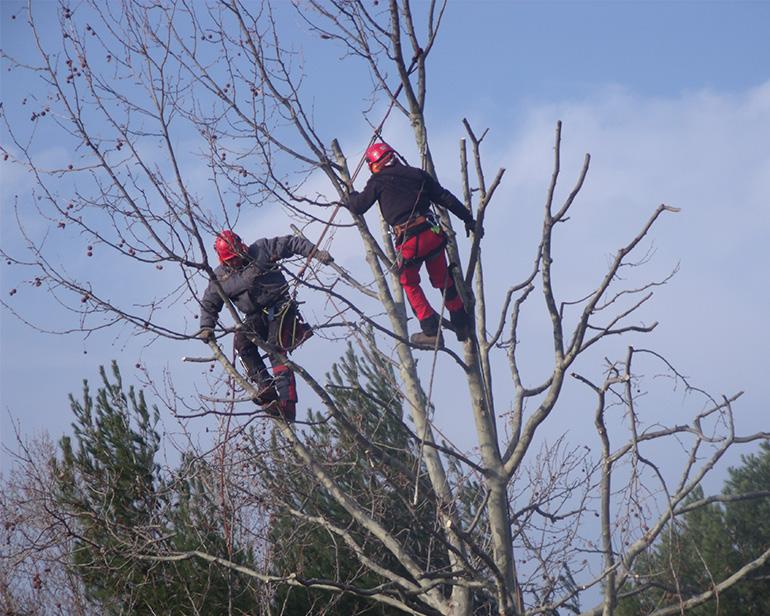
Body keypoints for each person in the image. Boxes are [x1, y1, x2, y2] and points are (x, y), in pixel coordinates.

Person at [343, 142, 481, 348]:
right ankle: (461, 323)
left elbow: (358, 206)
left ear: (374, 164)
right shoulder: (418, 174)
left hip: (410, 241)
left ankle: (430, 330)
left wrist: (350, 194)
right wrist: (469, 219)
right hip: (432, 235)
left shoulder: (378, 181)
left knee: (408, 282)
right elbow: (446, 198)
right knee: (443, 279)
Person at [197, 230, 332, 422]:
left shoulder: (262, 249)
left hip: (281, 307)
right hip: (255, 316)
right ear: (223, 260)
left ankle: (287, 404)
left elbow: (291, 243)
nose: (236, 262)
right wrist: (206, 326)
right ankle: (265, 386)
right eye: (231, 260)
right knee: (242, 343)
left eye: (238, 257)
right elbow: (210, 302)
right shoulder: (220, 278)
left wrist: (315, 252)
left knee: (275, 349)